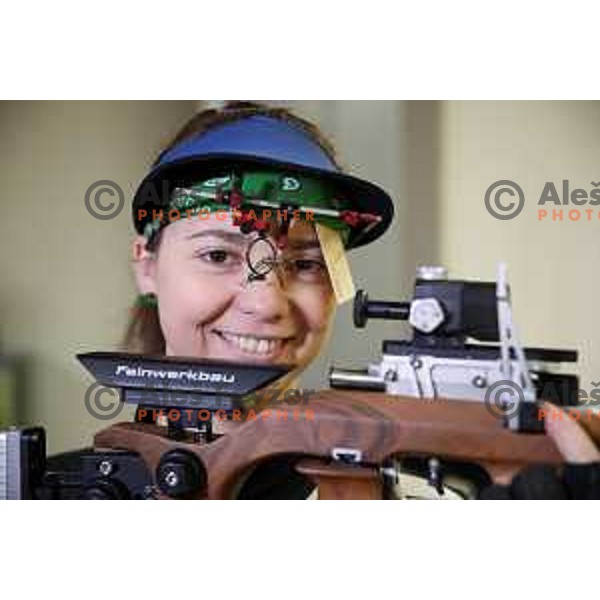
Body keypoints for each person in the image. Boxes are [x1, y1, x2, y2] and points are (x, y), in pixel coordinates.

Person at [53, 101, 600, 499]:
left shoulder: (408, 499)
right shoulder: (53, 495)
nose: (267, 303)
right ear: (147, 268)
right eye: (219, 256)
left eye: (308, 264)